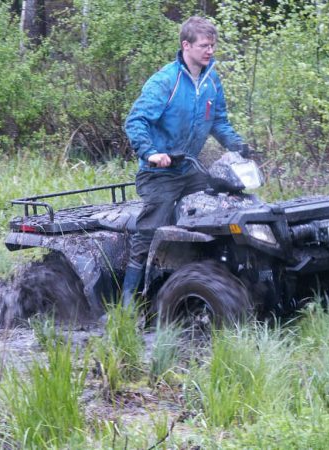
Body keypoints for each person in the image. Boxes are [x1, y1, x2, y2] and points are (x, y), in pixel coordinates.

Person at [122, 16, 248, 306]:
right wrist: (151, 153)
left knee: (227, 206)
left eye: (213, 45)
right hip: (159, 174)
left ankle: (220, 275)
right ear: (186, 45)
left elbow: (219, 121)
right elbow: (136, 121)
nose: (210, 51)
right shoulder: (166, 81)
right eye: (204, 45)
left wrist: (237, 145)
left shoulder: (211, 80)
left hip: (192, 170)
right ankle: (128, 298)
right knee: (151, 227)